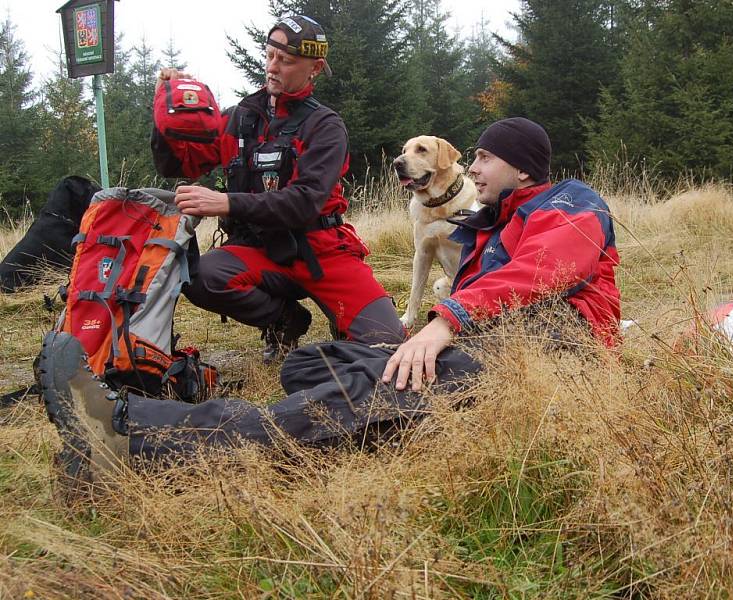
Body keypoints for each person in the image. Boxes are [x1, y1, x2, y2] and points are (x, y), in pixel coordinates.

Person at [41, 118, 621, 486]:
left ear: (522, 167)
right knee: (306, 365)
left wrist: (444, 324)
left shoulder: (571, 202)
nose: (472, 168)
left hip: (551, 352)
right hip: (493, 348)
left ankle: (127, 435)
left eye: (486, 159)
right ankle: (376, 415)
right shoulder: (490, 223)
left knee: (340, 398)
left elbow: (542, 272)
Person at [151, 15, 405, 363]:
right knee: (201, 276)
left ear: (314, 68)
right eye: (269, 55)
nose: (273, 67)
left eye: (285, 61)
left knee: (387, 342)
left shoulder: (326, 127)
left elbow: (303, 203)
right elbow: (178, 166)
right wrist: (166, 110)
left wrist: (225, 202)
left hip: (322, 252)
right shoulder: (239, 118)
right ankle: (285, 320)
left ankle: (344, 318)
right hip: (260, 252)